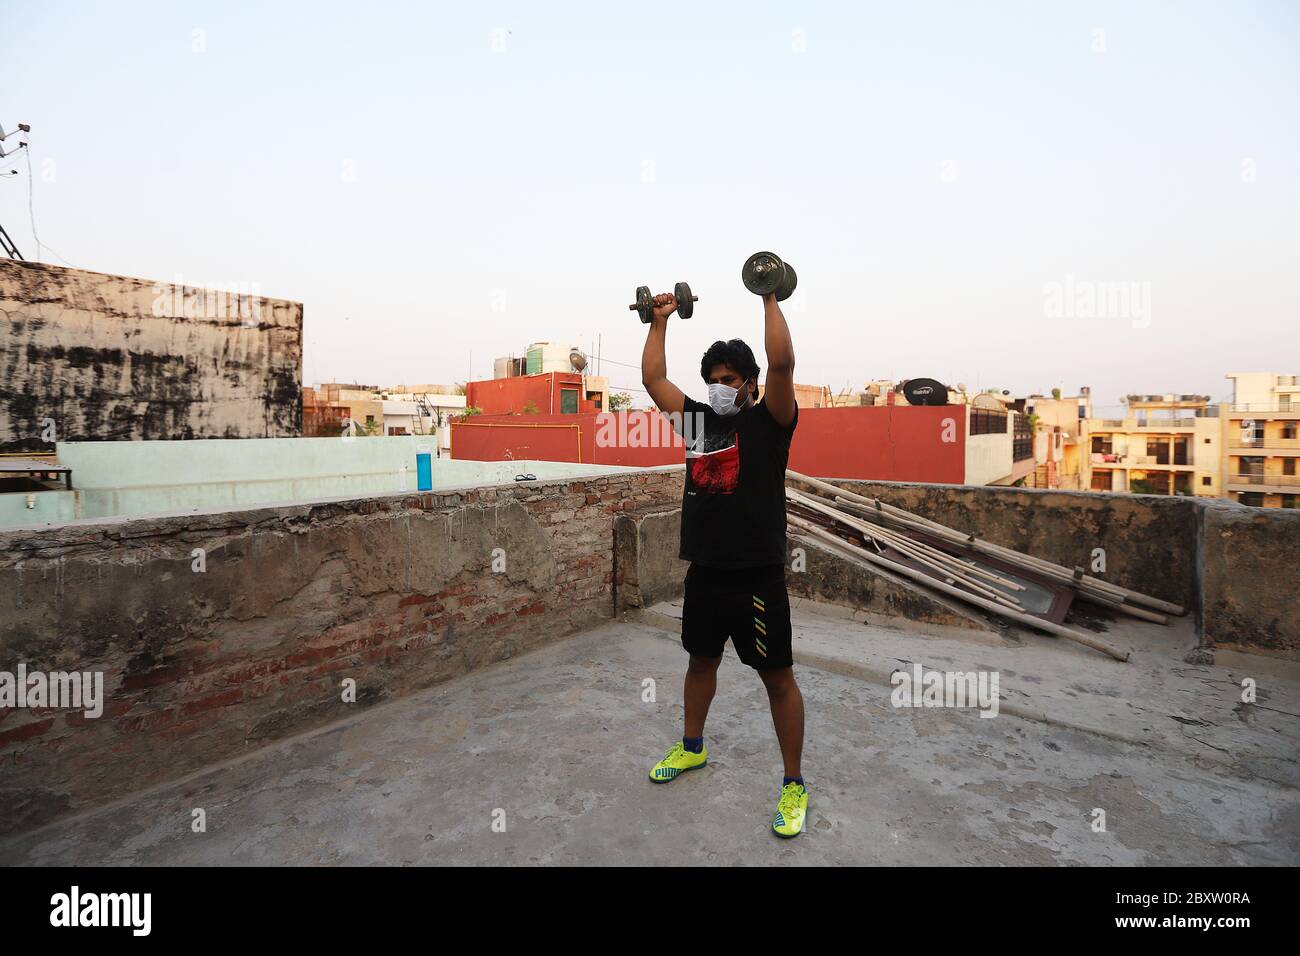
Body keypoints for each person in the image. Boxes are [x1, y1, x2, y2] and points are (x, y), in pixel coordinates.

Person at [639, 285, 806, 838]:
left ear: (751, 386)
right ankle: (692, 747)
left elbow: (782, 361)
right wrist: (659, 321)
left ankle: (792, 784)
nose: (718, 388)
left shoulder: (771, 422)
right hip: (706, 572)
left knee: (776, 679)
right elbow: (653, 380)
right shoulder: (696, 423)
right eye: (713, 379)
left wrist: (769, 298)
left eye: (729, 380)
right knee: (699, 663)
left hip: (758, 577)